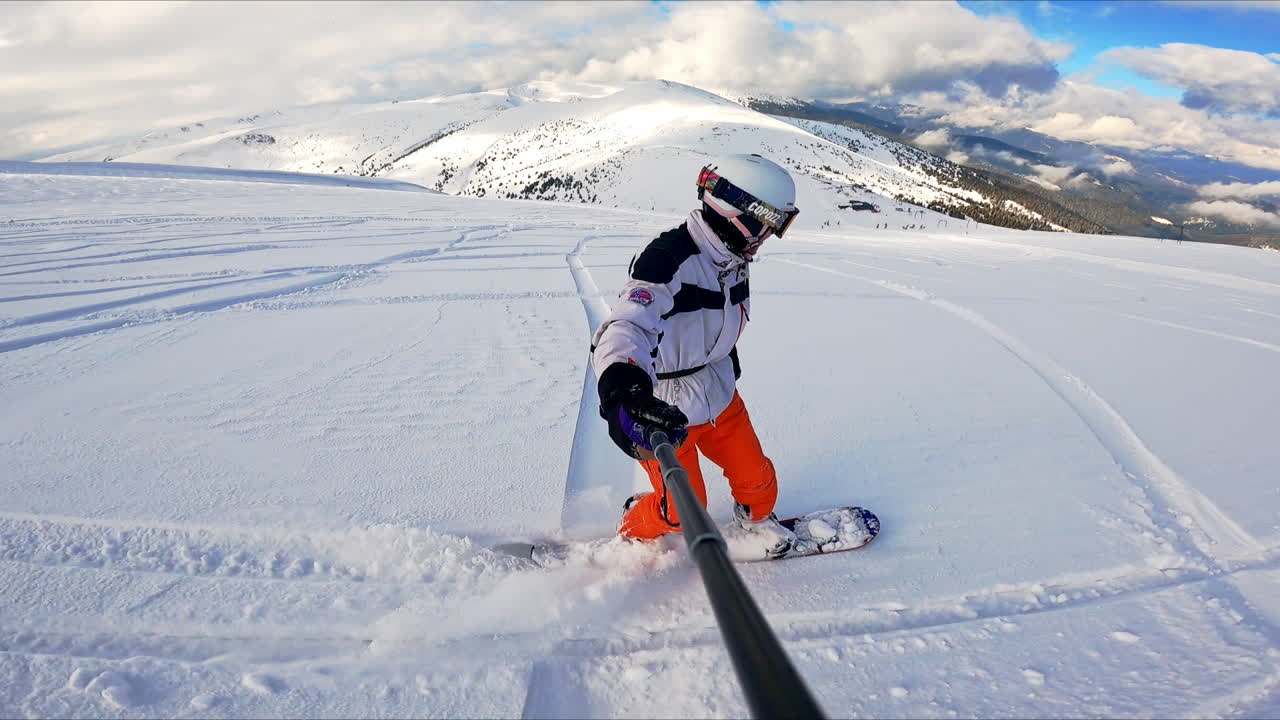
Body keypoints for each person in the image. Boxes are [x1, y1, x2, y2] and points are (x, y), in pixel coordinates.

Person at [589, 154, 800, 558]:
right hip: (666, 409)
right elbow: (628, 325)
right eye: (767, 225)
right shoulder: (665, 258)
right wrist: (623, 388)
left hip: (719, 396)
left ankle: (756, 523)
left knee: (760, 488)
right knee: (684, 512)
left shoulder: (732, 255)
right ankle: (633, 527)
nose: (767, 237)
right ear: (740, 214)